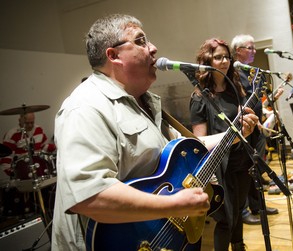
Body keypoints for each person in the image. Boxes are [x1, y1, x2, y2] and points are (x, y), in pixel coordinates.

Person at [51, 14, 258, 251]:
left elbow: (187, 146)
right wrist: (172, 205)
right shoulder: (86, 107)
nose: (153, 48)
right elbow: (89, 196)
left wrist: (234, 132)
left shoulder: (145, 102)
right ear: (113, 55)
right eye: (140, 41)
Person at [189, 38, 259, 251]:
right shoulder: (200, 97)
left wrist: (250, 123)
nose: (224, 61)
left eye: (226, 57)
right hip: (221, 167)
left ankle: (238, 246)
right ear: (207, 61)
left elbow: (245, 123)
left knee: (238, 211)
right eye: (218, 57)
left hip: (242, 161)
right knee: (226, 218)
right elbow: (199, 143)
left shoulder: (235, 89)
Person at [231, 34, 282, 225]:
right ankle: (243, 210)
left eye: (254, 48)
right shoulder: (234, 75)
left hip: (257, 128)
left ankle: (258, 206)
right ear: (238, 51)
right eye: (250, 48)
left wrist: (271, 101)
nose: (254, 51)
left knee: (256, 169)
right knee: (246, 170)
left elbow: (258, 102)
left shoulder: (253, 72)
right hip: (245, 130)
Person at [0, 112, 56, 181]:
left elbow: (43, 147)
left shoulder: (38, 129)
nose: (30, 125)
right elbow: (5, 157)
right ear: (19, 120)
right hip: (22, 173)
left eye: (32, 122)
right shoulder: (11, 134)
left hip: (40, 170)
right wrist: (14, 173)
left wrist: (55, 147)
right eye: (26, 123)